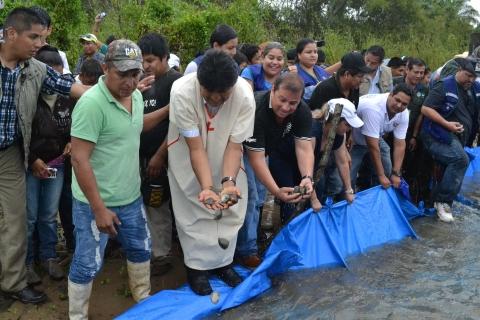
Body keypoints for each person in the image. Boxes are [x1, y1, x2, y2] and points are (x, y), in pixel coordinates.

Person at [68, 39, 163, 319]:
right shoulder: (91, 105)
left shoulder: (134, 95)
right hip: (94, 203)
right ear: (105, 68)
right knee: (87, 263)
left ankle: (142, 299)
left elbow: (134, 126)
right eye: (122, 74)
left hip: (130, 197)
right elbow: (79, 159)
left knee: (141, 248)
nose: (130, 81)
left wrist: (169, 112)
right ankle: (77, 315)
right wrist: (98, 208)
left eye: (135, 74)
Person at [0, 7, 87, 305]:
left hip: (10, 155)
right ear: (11, 33)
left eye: (42, 37)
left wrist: (112, 90)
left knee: (16, 220)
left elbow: (69, 86)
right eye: (33, 36)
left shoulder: (35, 69)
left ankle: (12, 282)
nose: (39, 43)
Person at [167, 50, 255, 295]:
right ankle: (196, 269)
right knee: (193, 210)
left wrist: (228, 182)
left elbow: (235, 146)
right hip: (188, 154)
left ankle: (224, 264)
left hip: (227, 152)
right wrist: (206, 186)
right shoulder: (182, 91)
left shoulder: (245, 96)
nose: (216, 99)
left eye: (223, 95)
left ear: (233, 86)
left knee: (229, 208)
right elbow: (195, 148)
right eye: (209, 94)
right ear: (199, 83)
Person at [25, 46, 74, 285]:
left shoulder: (67, 97)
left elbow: (76, 125)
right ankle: (26, 262)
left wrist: (71, 142)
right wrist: (33, 159)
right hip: (30, 165)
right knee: (30, 215)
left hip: (57, 163)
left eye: (59, 74)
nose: (54, 81)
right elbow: (19, 132)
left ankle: (49, 257)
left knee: (48, 215)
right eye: (50, 76)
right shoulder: (27, 97)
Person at [137, 32, 182, 276]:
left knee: (160, 205)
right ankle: (152, 250)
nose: (146, 66)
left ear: (165, 58)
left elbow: (179, 125)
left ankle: (162, 255)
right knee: (150, 203)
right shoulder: (141, 82)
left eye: (151, 60)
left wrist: (160, 156)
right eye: (143, 61)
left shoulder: (176, 83)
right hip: (142, 156)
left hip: (166, 158)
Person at [244, 73, 314, 226]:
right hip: (241, 150)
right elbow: (256, 159)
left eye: (293, 103)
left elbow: (304, 148)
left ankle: (256, 232)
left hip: (265, 149)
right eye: (282, 100)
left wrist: (307, 177)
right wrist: (276, 192)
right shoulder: (256, 107)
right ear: (273, 89)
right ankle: (247, 248)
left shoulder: (302, 111)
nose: (285, 107)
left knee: (261, 196)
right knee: (250, 196)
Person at [420, 58, 479, 222]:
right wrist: (447, 124)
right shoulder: (444, 85)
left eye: (474, 77)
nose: (471, 80)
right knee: (460, 160)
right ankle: (443, 201)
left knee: (452, 166)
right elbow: (426, 108)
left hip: (457, 137)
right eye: (468, 75)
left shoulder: (474, 88)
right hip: (436, 135)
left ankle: (438, 202)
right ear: (459, 69)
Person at [308, 52, 371, 199]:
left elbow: (350, 117)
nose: (361, 81)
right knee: (319, 181)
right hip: (318, 143)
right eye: (359, 77)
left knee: (336, 182)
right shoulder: (326, 89)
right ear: (347, 74)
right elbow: (318, 121)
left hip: (337, 140)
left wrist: (346, 141)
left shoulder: (354, 90)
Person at [350, 84, 413, 191]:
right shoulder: (373, 108)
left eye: (404, 104)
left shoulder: (404, 113)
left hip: (376, 137)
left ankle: (374, 200)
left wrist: (396, 173)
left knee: (387, 171)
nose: (399, 105)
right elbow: (372, 146)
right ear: (390, 95)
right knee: (349, 178)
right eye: (397, 100)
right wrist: (381, 176)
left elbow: (400, 144)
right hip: (355, 140)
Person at [393, 58, 430, 203]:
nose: (419, 76)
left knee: (409, 163)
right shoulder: (395, 84)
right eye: (416, 72)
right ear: (407, 70)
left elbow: (421, 114)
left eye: (422, 73)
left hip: (411, 131)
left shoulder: (424, 89)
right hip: (392, 130)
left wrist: (414, 136)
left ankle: (406, 195)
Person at [30, 5, 71, 74]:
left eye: (41, 27)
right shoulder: (19, 53)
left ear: (49, 30)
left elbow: (65, 78)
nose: (36, 30)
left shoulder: (60, 55)